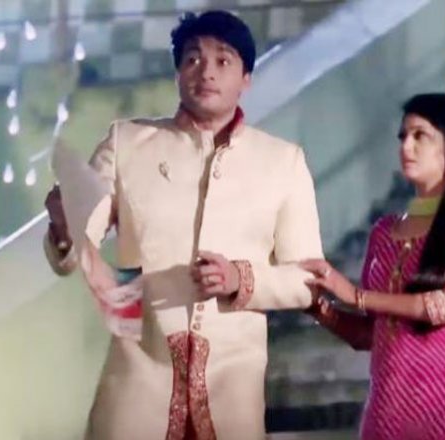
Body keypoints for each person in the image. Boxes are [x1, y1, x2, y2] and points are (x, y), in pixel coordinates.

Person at [44, 10, 322, 440]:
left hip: (233, 389)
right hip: (137, 383)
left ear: (246, 78)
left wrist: (240, 279)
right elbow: (80, 240)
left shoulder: (283, 162)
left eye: (223, 60)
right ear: (177, 73)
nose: (206, 72)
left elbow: (307, 280)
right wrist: (63, 228)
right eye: (192, 59)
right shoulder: (126, 143)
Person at [302, 93, 445, 440]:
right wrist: (317, 307)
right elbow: (370, 334)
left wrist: (355, 295)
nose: (406, 146)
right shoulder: (384, 232)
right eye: (402, 136)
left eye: (419, 135)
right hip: (387, 412)